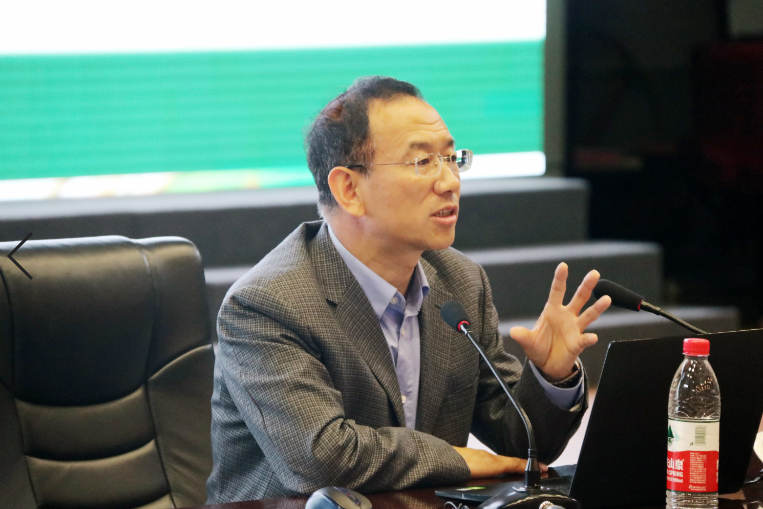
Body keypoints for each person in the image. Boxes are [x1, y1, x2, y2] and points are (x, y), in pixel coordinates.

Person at [206, 76, 612, 503]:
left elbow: (521, 444)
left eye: (451, 158)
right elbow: (322, 459)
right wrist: (460, 460)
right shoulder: (267, 304)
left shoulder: (460, 281)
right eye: (423, 162)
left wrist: (550, 377)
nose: (450, 181)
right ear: (349, 189)